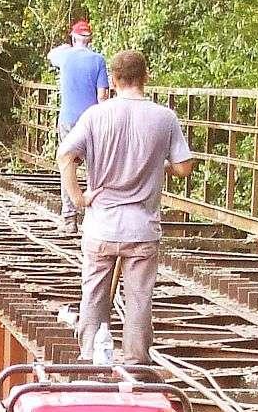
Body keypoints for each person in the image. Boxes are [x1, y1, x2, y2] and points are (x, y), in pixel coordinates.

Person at [56, 50, 193, 365]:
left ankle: (90, 357)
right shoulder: (164, 117)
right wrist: (159, 167)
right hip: (142, 230)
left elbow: (66, 156)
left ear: (114, 80)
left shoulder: (95, 115)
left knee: (94, 295)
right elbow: (184, 168)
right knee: (139, 300)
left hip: (100, 225)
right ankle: (135, 364)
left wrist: (78, 199)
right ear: (146, 76)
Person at [48, 20, 109, 234]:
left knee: (68, 165)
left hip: (68, 120)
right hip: (92, 121)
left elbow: (50, 55)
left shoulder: (65, 56)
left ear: (74, 38)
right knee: (96, 167)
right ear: (90, 40)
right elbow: (103, 95)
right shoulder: (99, 60)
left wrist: (67, 47)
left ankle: (69, 219)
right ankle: (97, 218)